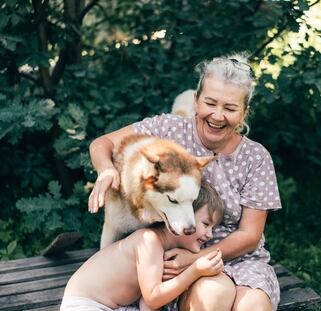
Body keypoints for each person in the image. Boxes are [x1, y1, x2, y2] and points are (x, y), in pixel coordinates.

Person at [88, 53, 282, 311]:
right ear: (196, 101)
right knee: (212, 296)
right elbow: (102, 143)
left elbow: (249, 235)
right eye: (210, 103)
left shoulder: (256, 157)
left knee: (255, 306)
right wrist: (106, 170)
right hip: (175, 257)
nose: (217, 115)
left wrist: (196, 258)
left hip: (238, 258)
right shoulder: (167, 129)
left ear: (244, 113)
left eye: (231, 108)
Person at [62, 180, 225, 311]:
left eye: (213, 228)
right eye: (206, 224)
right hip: (85, 305)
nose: (210, 234)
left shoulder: (165, 251)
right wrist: (194, 271)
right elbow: (153, 298)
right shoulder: (149, 240)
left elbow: (148, 304)